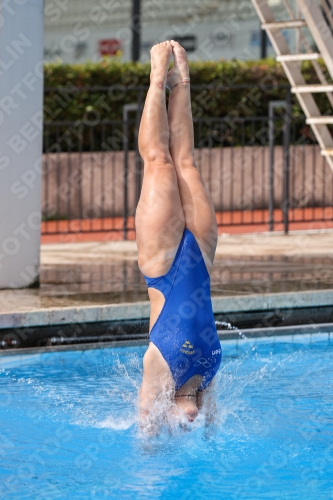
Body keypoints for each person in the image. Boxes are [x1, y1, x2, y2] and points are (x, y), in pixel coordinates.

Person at [136, 40, 222, 431]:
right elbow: (214, 433)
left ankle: (156, 78)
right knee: (185, 161)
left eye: (184, 424)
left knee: (159, 161)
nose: (193, 420)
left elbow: (144, 432)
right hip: (201, 257)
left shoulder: (158, 364)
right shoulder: (208, 374)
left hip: (164, 264)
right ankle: (181, 80)